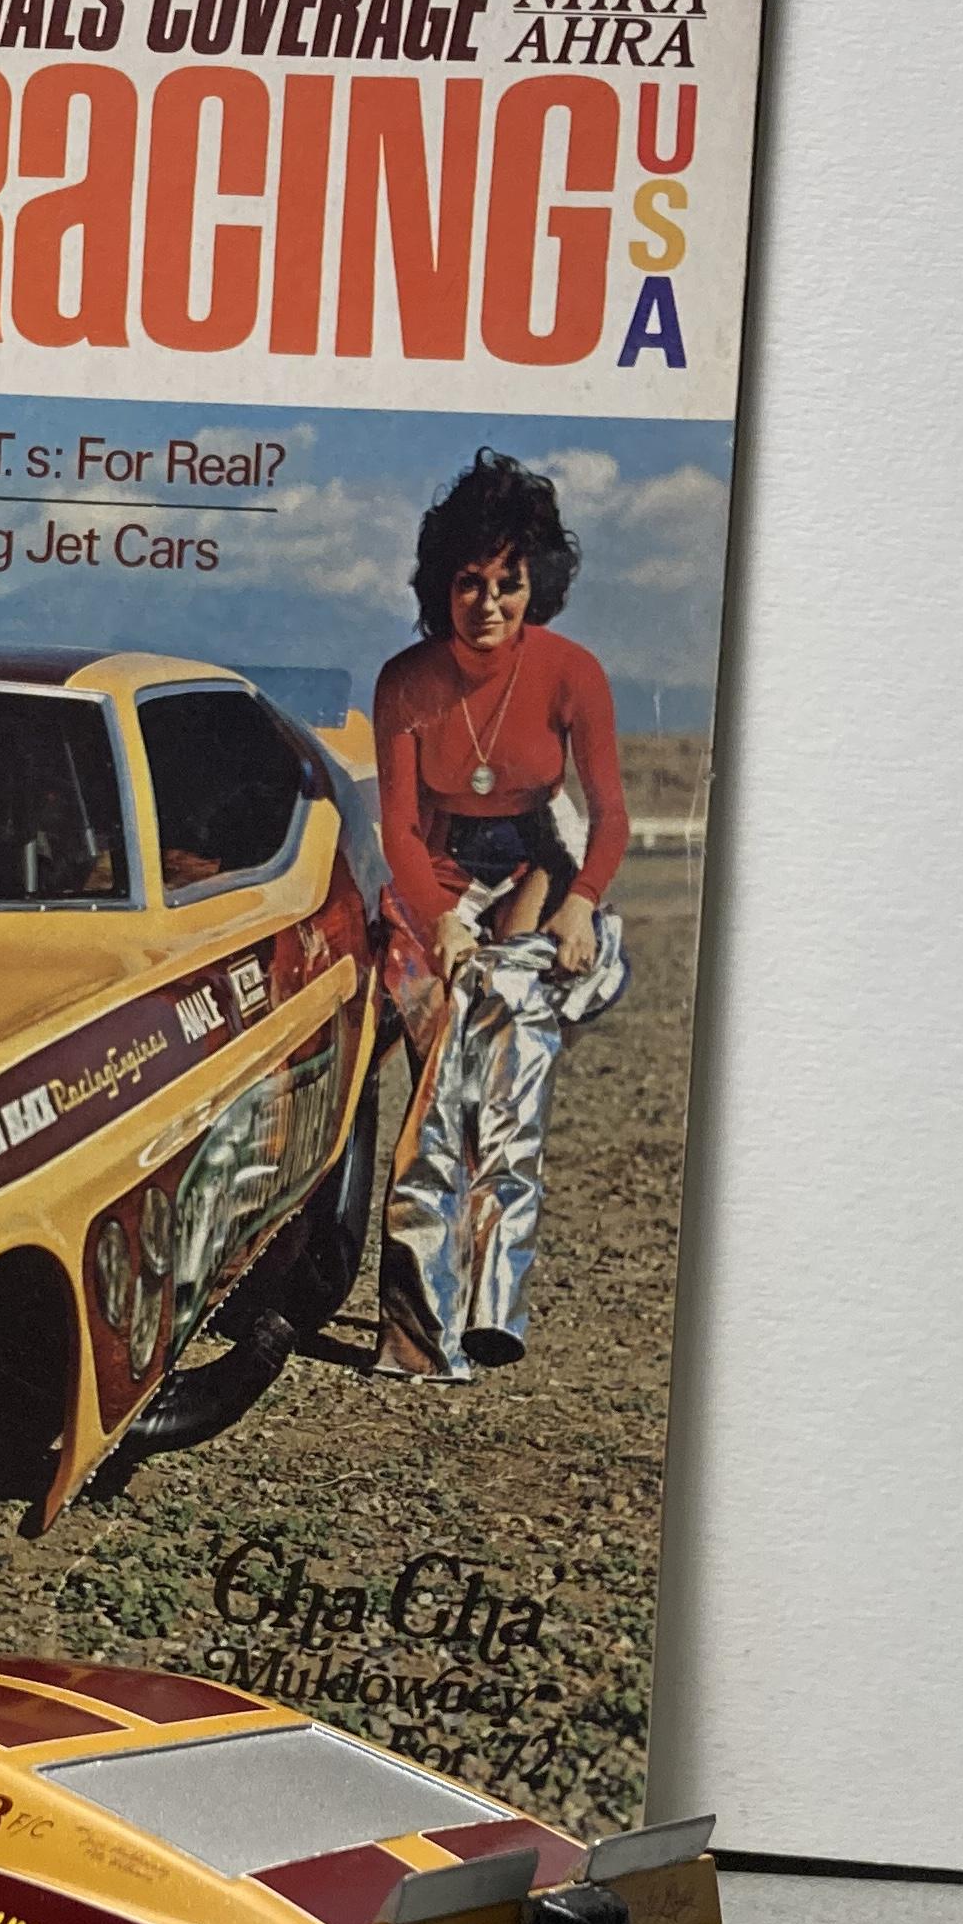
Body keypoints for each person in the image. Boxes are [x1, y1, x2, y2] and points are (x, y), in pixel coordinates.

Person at [369, 449, 629, 1377]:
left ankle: (492, 1311)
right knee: (438, 1091)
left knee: (513, 1085)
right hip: (434, 876)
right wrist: (437, 917)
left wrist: (582, 905)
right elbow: (399, 827)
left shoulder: (572, 673)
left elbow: (609, 815)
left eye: (508, 583)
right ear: (441, 585)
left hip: (535, 870)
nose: (487, 603)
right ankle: (415, 1338)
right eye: (469, 582)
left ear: (535, 587)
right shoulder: (405, 681)